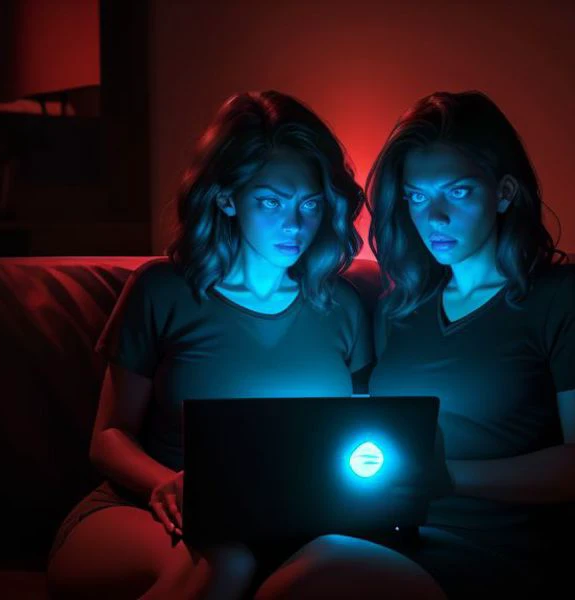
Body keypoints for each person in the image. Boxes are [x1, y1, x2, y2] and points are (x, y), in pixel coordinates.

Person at [254, 91, 575, 599]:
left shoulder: (559, 298)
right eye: (418, 197)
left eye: (459, 192)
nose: (436, 217)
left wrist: (449, 479)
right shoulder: (401, 306)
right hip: (389, 531)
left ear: (504, 191)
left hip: (496, 546)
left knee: (313, 576)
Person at [46, 90, 374, 600]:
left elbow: (361, 432)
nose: (294, 224)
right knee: (224, 560)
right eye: (270, 202)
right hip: (141, 513)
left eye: (309, 204)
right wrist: (168, 483)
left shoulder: (343, 307)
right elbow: (108, 436)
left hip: (284, 521)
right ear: (226, 197)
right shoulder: (164, 290)